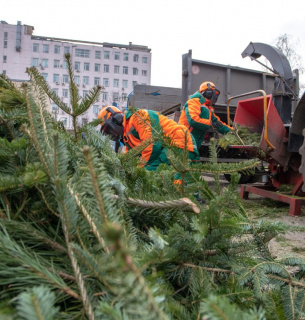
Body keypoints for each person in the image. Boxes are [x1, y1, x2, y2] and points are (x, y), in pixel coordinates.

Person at [98, 106, 200, 171]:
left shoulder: (137, 117)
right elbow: (131, 154)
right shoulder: (127, 134)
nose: (112, 133)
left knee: (150, 170)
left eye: (110, 130)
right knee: (187, 179)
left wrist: (139, 169)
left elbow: (152, 145)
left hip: (179, 141)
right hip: (169, 145)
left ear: (116, 120)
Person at [179, 81, 233, 150]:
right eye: (214, 95)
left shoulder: (208, 108)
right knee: (189, 159)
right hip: (185, 139)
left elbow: (219, 124)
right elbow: (193, 120)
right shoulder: (193, 102)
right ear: (208, 94)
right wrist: (210, 123)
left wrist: (232, 131)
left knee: (193, 159)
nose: (215, 97)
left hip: (195, 140)